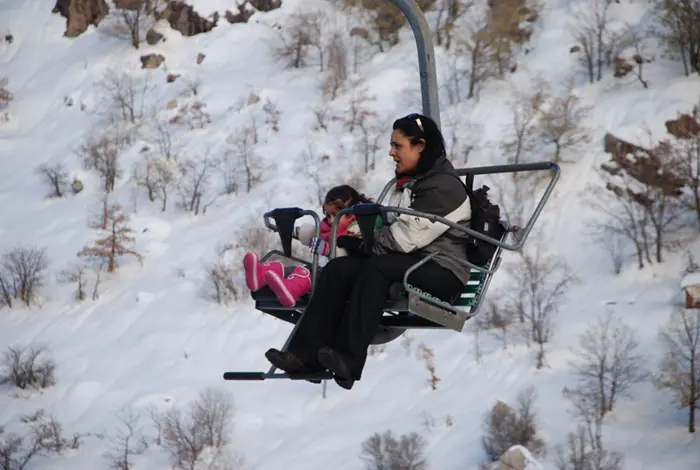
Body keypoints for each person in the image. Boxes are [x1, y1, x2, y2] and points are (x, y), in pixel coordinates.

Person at [264, 113, 473, 390]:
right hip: (412, 261)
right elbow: (390, 230)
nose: (391, 152)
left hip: (443, 270)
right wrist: (357, 240)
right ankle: (304, 357)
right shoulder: (411, 182)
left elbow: (403, 238)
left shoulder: (443, 188)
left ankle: (348, 360)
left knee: (376, 267)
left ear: (420, 145)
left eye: (398, 146)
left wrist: (364, 244)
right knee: (339, 269)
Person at [242, 185, 372, 308]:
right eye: (328, 215)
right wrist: (293, 232)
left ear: (350, 212)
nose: (332, 220)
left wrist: (327, 250)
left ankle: (291, 290)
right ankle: (261, 275)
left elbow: (354, 254)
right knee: (297, 270)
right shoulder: (329, 229)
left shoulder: (358, 226)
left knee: (307, 273)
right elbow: (314, 234)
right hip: (334, 274)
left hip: (349, 277)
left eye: (336, 215)